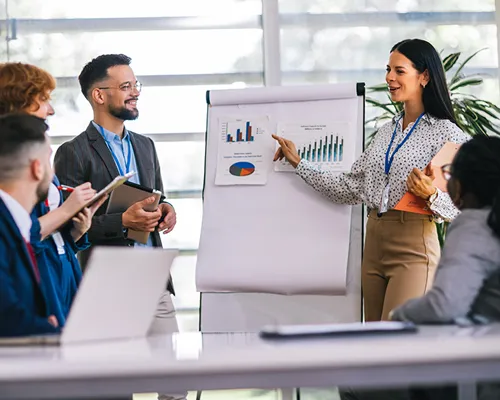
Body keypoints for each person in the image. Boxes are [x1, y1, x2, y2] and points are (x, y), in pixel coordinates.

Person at [273, 38, 470, 321]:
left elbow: (466, 207)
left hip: (413, 248)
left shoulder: (446, 134)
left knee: (398, 341)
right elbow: (349, 188)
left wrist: (431, 195)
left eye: (399, 71)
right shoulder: (385, 132)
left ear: (424, 76)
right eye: (388, 70)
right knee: (375, 341)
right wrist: (298, 163)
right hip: (374, 243)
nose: (389, 77)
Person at [54, 54, 183, 400]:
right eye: (125, 86)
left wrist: (167, 208)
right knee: (114, 388)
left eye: (135, 85)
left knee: (176, 383)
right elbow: (67, 226)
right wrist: (121, 222)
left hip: (152, 275)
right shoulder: (73, 152)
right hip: (104, 281)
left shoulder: (145, 145)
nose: (135, 93)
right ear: (99, 95)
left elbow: (156, 196)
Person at [340, 135, 500, 400]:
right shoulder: (386, 132)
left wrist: (399, 314)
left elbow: (444, 306)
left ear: (463, 183)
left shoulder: (474, 224)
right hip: (485, 361)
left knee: (354, 382)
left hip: (480, 373)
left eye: (448, 174)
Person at [0, 62, 106, 326]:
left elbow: (47, 232)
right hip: (40, 276)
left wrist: (76, 230)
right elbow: (19, 233)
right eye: (42, 99)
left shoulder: (39, 152)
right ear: (19, 103)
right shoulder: (12, 162)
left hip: (63, 271)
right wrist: (67, 210)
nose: (50, 109)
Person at [0, 114, 60, 336]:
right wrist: (48, 329)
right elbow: (6, 316)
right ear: (37, 168)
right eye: (48, 159)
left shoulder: (14, 223)